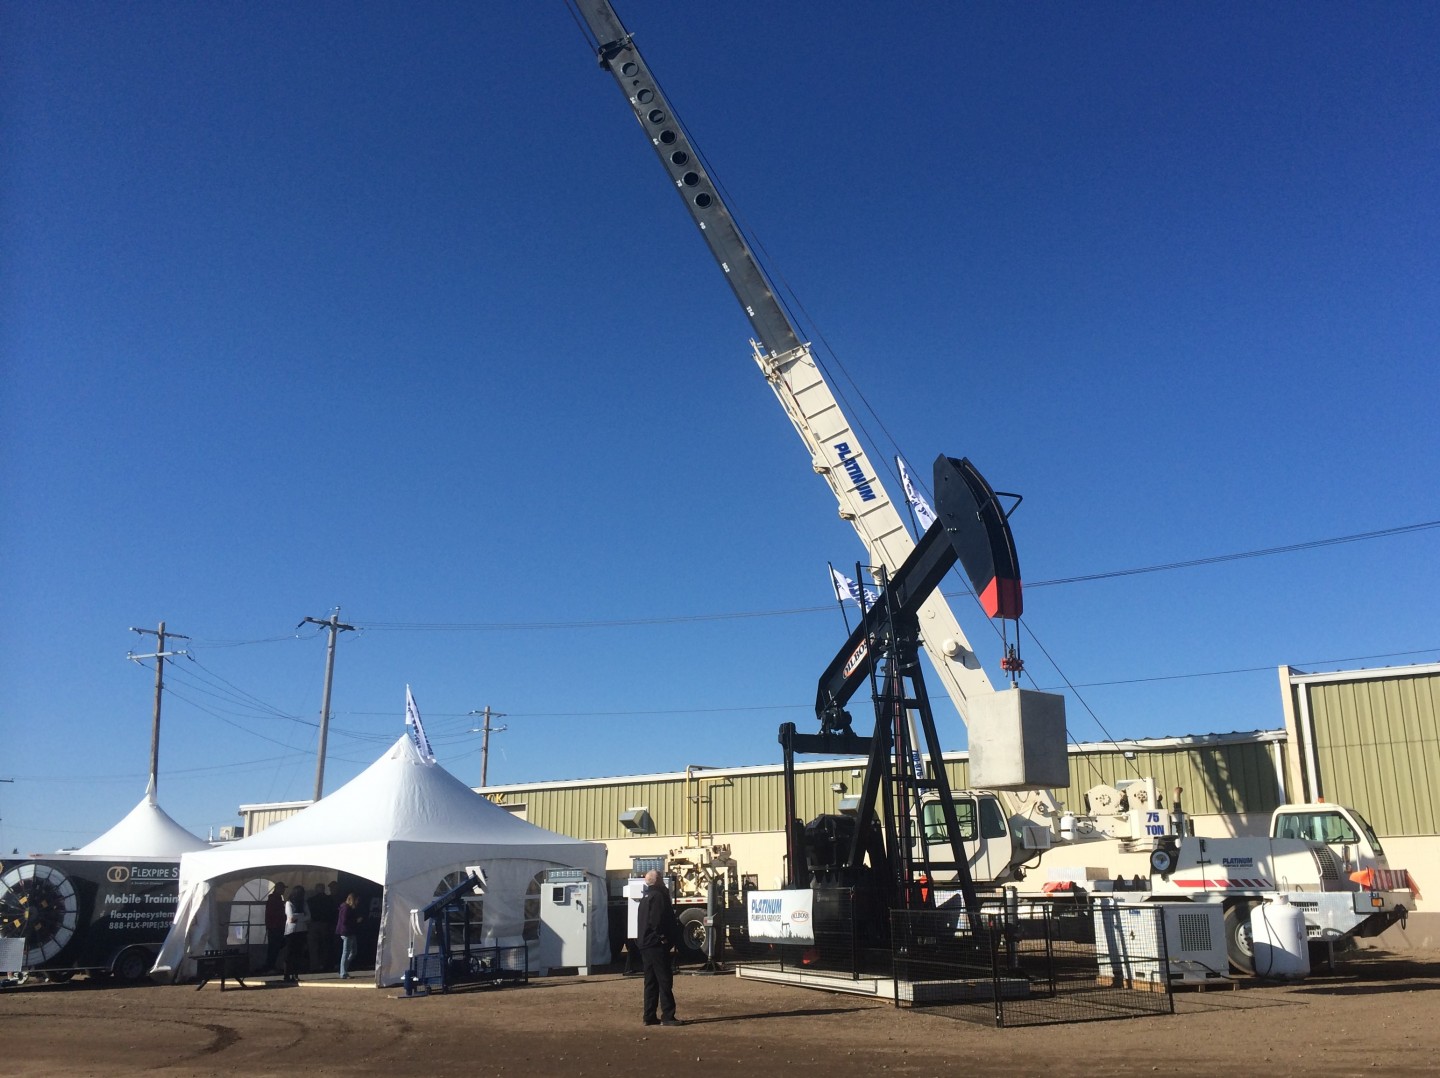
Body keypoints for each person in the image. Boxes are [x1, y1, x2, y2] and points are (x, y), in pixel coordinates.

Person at [635, 869, 681, 1026]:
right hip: (655, 945)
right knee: (664, 979)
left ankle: (649, 1015)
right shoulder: (659, 896)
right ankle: (668, 1015)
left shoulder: (645, 897)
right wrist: (663, 938)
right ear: (658, 880)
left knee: (650, 981)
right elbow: (657, 921)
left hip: (645, 944)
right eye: (660, 876)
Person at [282, 884, 309, 983]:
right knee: (289, 954)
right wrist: (301, 916)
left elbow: (309, 917)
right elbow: (290, 917)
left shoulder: (304, 903)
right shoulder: (289, 903)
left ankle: (295, 974)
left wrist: (297, 918)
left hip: (301, 931)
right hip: (291, 932)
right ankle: (286, 974)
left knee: (298, 954)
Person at [307, 881, 335, 972]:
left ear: (316, 890)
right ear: (324, 889)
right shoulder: (329, 899)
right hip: (325, 924)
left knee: (313, 947)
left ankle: (314, 965)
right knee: (325, 946)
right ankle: (325, 964)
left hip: (314, 924)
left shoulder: (310, 900)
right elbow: (332, 912)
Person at [336, 892, 364, 979]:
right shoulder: (346, 908)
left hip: (350, 932)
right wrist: (356, 921)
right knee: (346, 952)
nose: (357, 902)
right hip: (346, 932)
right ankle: (343, 972)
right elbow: (344, 921)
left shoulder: (347, 907)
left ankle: (343, 969)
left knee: (353, 952)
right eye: (356, 900)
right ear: (353, 900)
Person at [261, 880, 286, 973]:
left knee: (274, 947)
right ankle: (270, 966)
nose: (284, 890)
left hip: (275, 927)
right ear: (278, 889)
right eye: (282, 888)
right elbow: (275, 914)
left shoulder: (274, 899)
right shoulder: (275, 899)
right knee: (274, 948)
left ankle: (271, 965)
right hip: (276, 927)